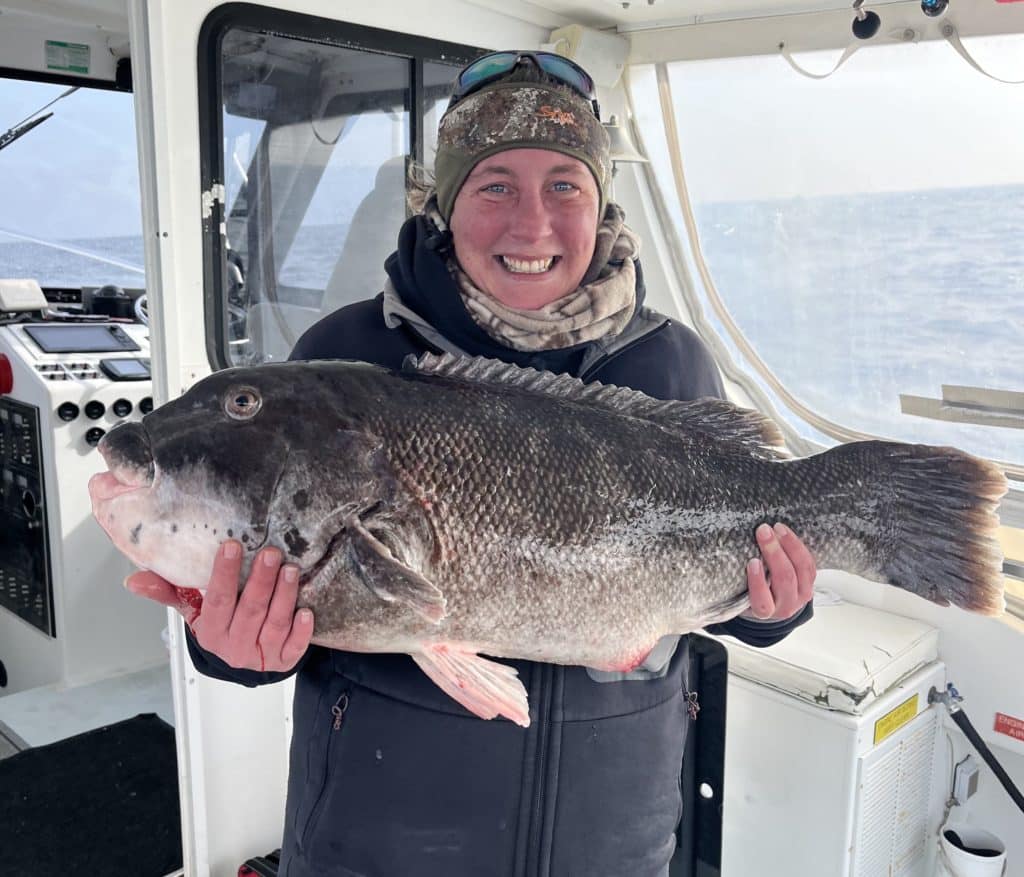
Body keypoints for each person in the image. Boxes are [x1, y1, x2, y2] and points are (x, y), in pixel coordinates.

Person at [127, 51, 816, 877]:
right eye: (494, 186)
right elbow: (283, 584)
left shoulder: (667, 363)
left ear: (601, 201)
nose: (533, 225)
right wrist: (230, 647)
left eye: (565, 184)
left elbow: (715, 582)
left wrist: (770, 607)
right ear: (445, 203)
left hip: (611, 838)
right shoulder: (347, 357)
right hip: (376, 838)